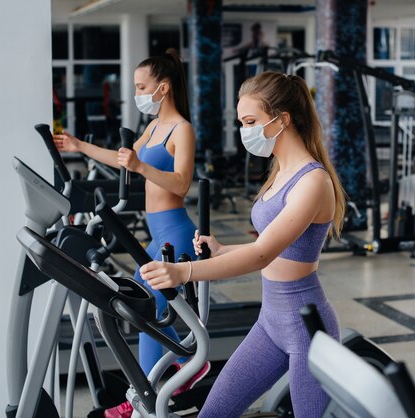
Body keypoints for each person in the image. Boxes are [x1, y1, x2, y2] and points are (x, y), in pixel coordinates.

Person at [140, 72, 346, 417]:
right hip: (270, 321)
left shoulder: (313, 181)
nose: (244, 130)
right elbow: (268, 246)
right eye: (241, 122)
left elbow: (261, 254)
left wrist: (184, 271)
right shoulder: (279, 171)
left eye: (251, 121)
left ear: (282, 120)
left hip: (307, 327)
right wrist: (221, 251)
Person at [53, 48, 210, 390]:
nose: (137, 94)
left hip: (176, 232)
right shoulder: (154, 126)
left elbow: (182, 182)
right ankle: (185, 363)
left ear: (163, 87)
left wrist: (141, 167)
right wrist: (79, 145)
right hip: (157, 233)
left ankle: (148, 389)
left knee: (150, 307)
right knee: (141, 305)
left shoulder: (181, 129)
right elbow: (122, 159)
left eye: (142, 87)